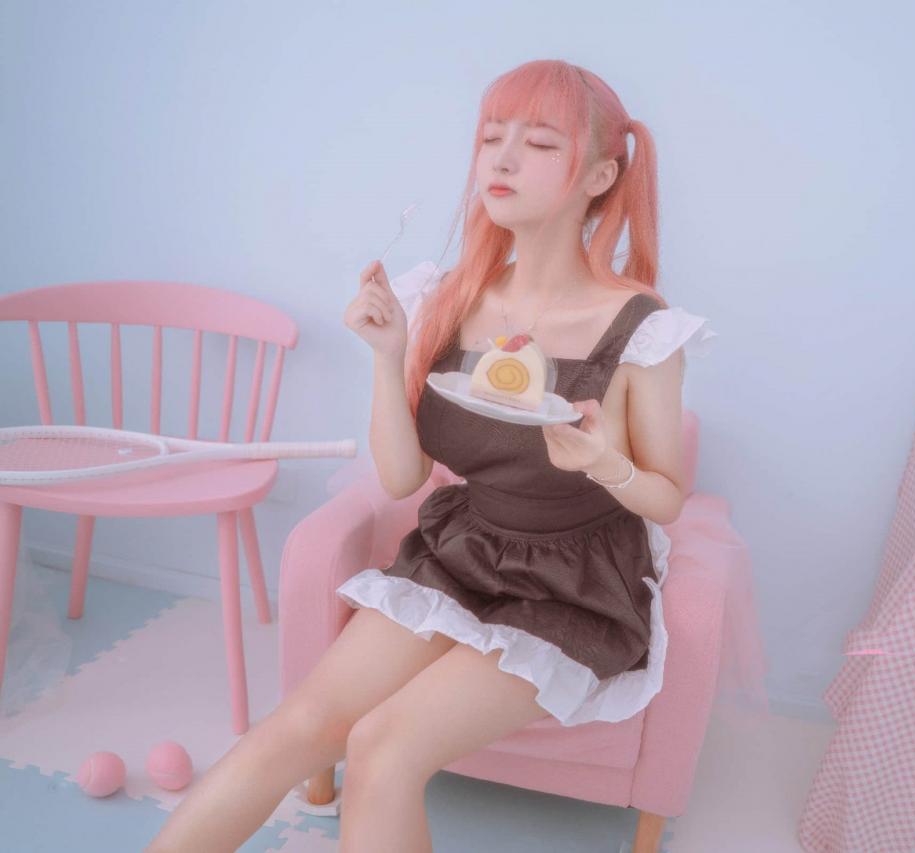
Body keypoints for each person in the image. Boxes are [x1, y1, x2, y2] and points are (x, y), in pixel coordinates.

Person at [145, 58, 721, 852]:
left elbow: (667, 497)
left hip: (577, 584)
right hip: (464, 550)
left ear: (599, 176)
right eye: (491, 138)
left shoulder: (642, 326)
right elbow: (403, 478)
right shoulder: (448, 296)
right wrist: (388, 358)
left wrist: (602, 461)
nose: (502, 159)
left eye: (538, 143)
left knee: (383, 746)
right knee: (298, 725)